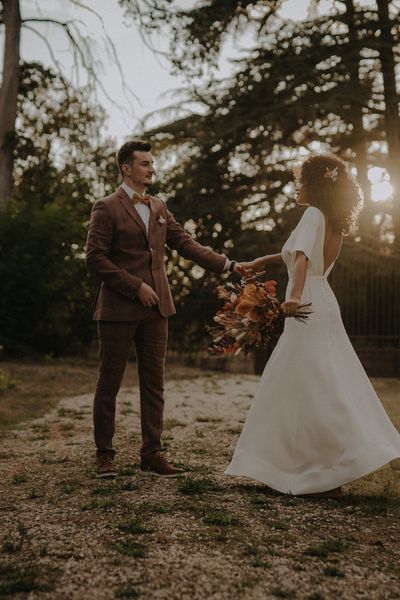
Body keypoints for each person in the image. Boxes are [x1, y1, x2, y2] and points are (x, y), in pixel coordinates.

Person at [225, 154, 400, 497]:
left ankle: (311, 471)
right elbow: (300, 253)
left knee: (303, 384)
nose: (298, 186)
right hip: (324, 302)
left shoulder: (312, 214)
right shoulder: (333, 220)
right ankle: (329, 467)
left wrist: (293, 297)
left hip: (306, 304)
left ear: (315, 184)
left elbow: (303, 258)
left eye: (302, 180)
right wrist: (264, 260)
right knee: (325, 381)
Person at [86, 139, 244, 479]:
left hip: (158, 309)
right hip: (117, 308)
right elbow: (94, 258)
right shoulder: (106, 207)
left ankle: (152, 453)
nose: (152, 168)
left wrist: (228, 264)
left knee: (154, 383)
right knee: (109, 382)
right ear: (126, 168)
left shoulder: (158, 206)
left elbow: (185, 243)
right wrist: (134, 286)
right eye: (145, 163)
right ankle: (105, 455)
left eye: (152, 163)